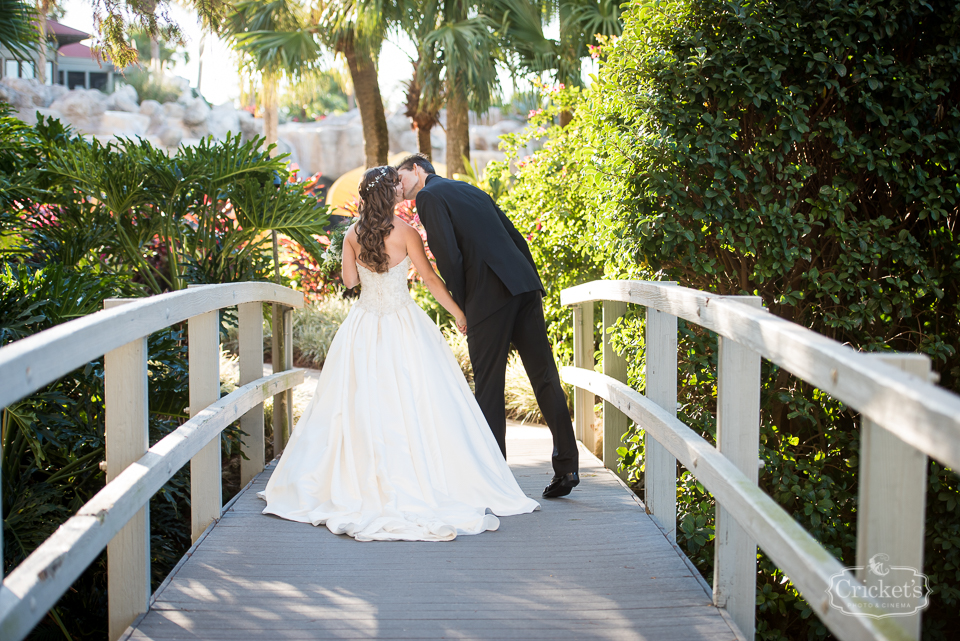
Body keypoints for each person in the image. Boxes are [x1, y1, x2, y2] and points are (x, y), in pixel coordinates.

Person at [258, 166, 539, 542]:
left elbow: (350, 282)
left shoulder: (352, 234)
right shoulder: (406, 232)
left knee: (356, 401)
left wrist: (347, 253)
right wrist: (459, 312)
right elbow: (430, 279)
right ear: (389, 195)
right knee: (419, 397)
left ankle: (354, 479)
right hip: (405, 323)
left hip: (364, 325)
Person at [396, 154, 580, 499]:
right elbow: (516, 238)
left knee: (490, 388)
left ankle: (496, 480)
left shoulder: (428, 196)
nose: (397, 186)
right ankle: (567, 466)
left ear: (418, 170)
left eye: (400, 177)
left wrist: (464, 306)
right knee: (545, 377)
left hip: (487, 298)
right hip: (523, 286)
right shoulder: (469, 189)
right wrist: (529, 281)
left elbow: (447, 255)